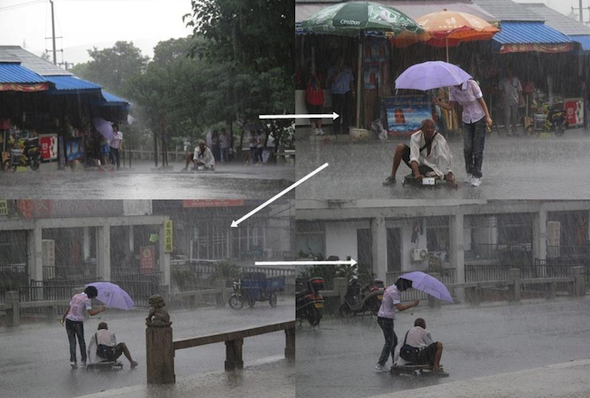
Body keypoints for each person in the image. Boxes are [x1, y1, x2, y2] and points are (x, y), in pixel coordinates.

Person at [433, 79, 493, 187]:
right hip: (466, 119)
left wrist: (488, 117)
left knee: (477, 148)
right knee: (467, 147)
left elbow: (482, 101)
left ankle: (477, 175)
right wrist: (439, 103)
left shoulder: (472, 84)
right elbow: (450, 106)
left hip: (479, 117)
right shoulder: (453, 89)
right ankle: (469, 172)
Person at [383, 119, 456, 188]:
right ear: (422, 129)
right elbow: (414, 157)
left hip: (430, 166)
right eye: (427, 128)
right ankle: (392, 177)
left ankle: (438, 175)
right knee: (400, 147)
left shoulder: (439, 138)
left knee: (432, 173)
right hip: (416, 163)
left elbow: (448, 155)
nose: (430, 130)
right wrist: (417, 174)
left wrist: (450, 172)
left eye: (432, 128)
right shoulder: (415, 137)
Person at [375, 278, 419, 372]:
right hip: (386, 319)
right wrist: (413, 304)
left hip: (383, 317)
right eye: (406, 287)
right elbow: (400, 308)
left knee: (394, 341)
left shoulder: (391, 288)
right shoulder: (394, 292)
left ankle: (394, 362)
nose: (405, 290)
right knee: (389, 342)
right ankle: (380, 364)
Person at [60, 286, 105, 368]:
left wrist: (63, 318)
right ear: (91, 294)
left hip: (69, 321)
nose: (93, 298)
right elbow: (91, 313)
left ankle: (73, 361)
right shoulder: (87, 299)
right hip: (77, 322)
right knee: (81, 341)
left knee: (72, 342)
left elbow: (69, 308)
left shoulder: (75, 296)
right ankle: (83, 360)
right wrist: (100, 310)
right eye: (94, 296)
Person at [327, 55, 355, 135]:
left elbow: (351, 81)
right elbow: (329, 81)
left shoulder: (348, 70)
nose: (340, 63)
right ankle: (336, 130)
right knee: (336, 112)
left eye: (342, 61)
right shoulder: (332, 69)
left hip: (346, 92)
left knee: (346, 112)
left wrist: (353, 91)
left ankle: (346, 129)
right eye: (339, 61)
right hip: (336, 93)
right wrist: (338, 72)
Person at [499, 67, 523, 137]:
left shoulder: (516, 80)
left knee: (514, 116)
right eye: (508, 71)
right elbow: (500, 90)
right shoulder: (503, 81)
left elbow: (520, 90)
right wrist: (501, 99)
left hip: (515, 99)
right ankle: (508, 131)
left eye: (510, 71)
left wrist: (521, 98)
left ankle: (514, 130)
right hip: (506, 100)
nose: (509, 72)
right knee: (507, 116)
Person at [306, 64, 325, 136]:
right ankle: (314, 128)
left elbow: (319, 84)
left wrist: (315, 76)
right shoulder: (308, 77)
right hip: (311, 98)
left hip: (319, 98)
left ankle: (320, 128)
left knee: (319, 114)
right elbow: (307, 84)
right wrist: (311, 77)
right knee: (312, 113)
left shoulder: (319, 76)